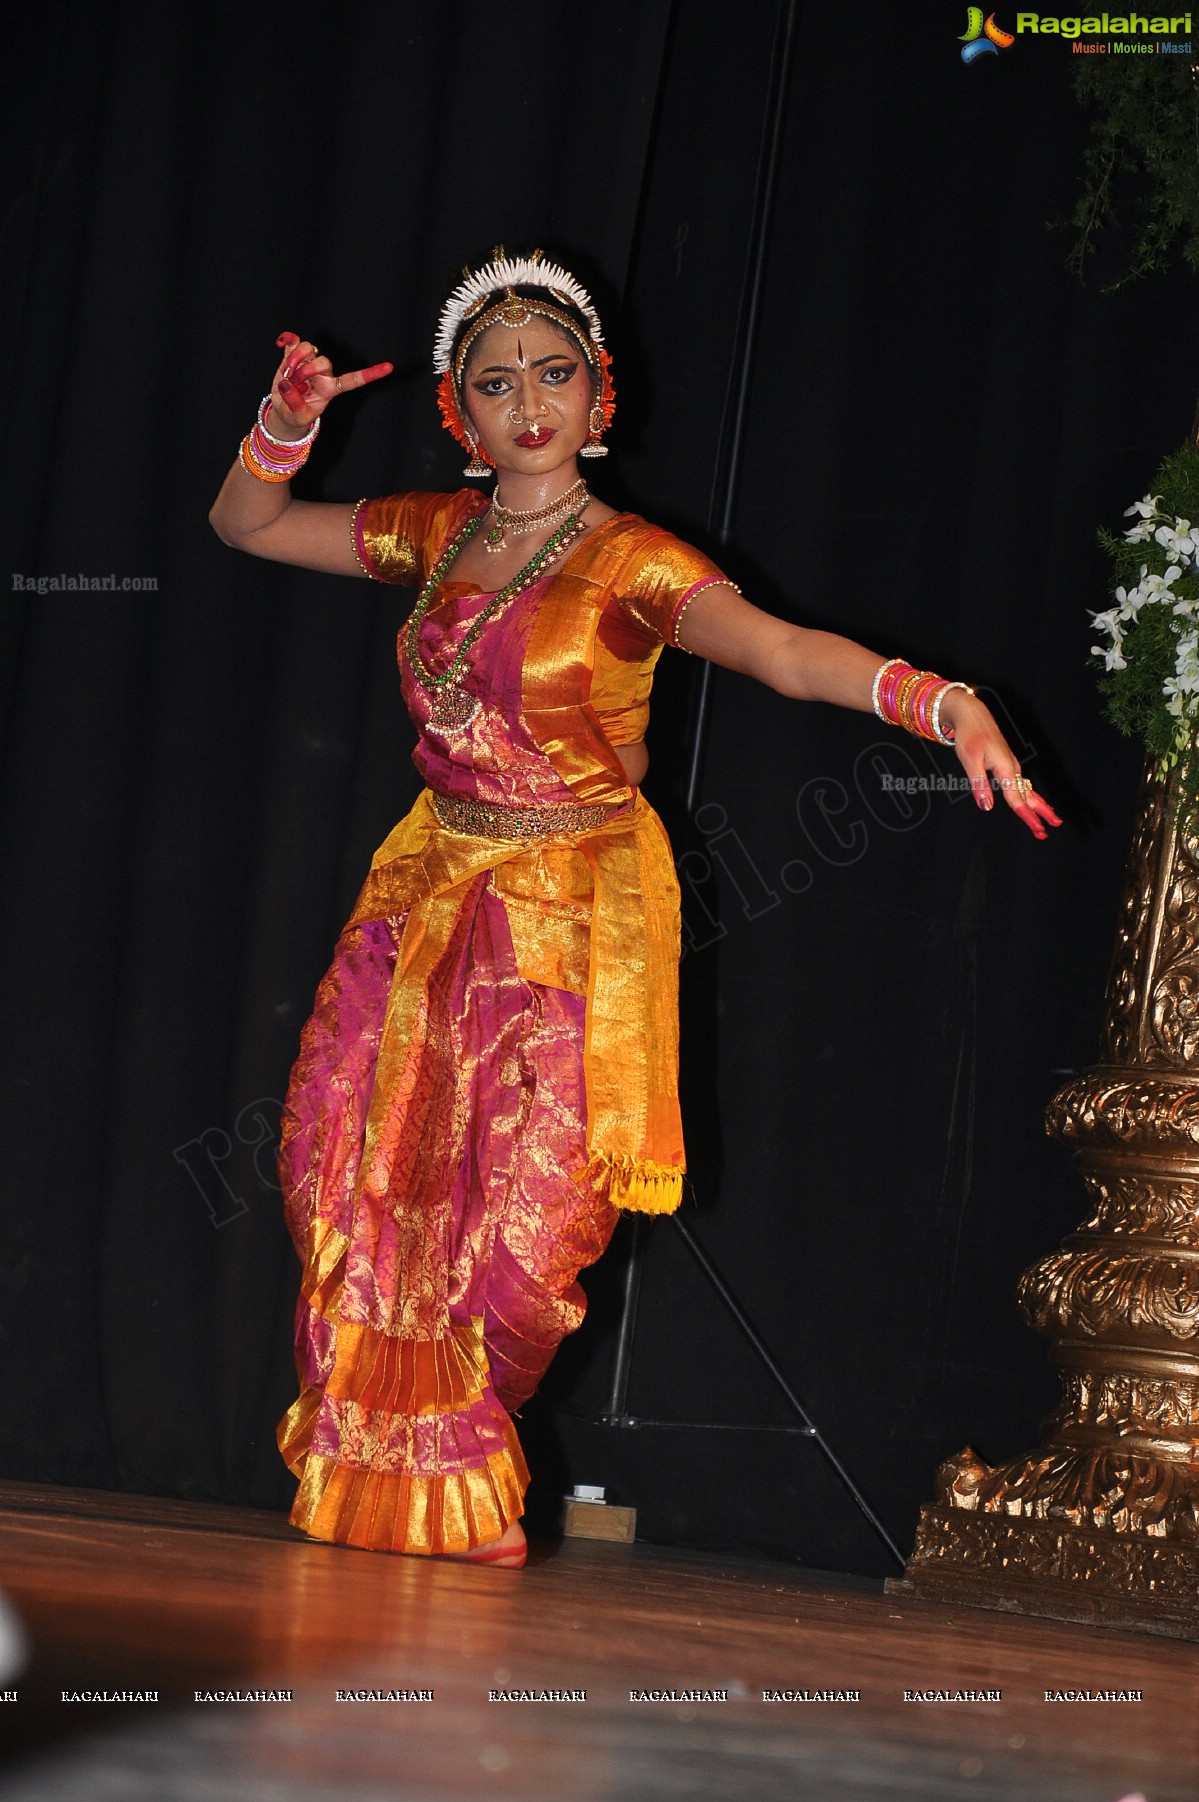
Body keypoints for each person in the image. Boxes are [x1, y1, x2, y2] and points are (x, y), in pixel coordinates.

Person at [209, 249, 1060, 1569]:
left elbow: (781, 651)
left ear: (600, 399)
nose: (529, 399)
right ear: (461, 414)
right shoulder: (436, 533)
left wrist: (941, 702)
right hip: (426, 892)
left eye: (554, 372)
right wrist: (287, 422)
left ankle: (461, 1459)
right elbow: (249, 525)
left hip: (569, 915)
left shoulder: (634, 560)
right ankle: (398, 1479)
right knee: (341, 1171)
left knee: (530, 1240)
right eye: (497, 382)